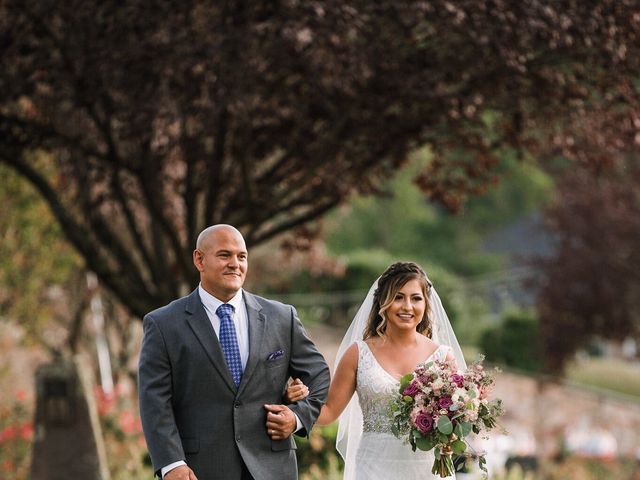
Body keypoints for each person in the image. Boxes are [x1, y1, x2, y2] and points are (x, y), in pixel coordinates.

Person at [138, 224, 331, 480]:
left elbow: (318, 375)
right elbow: (155, 401)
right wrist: (172, 463)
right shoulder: (163, 325)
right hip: (199, 470)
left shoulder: (281, 317)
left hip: (273, 468)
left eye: (242, 256)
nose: (235, 264)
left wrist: (296, 416)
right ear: (199, 259)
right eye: (224, 255)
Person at [287, 262, 466, 480]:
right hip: (373, 468)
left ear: (426, 303)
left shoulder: (442, 357)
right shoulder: (358, 354)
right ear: (383, 301)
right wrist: (299, 401)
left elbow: (457, 419)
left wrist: (452, 437)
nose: (407, 306)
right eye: (398, 297)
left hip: (427, 470)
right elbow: (328, 413)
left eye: (416, 298)